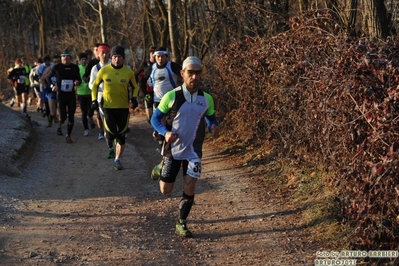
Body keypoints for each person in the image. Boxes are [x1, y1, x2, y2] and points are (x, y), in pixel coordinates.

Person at [150, 56, 220, 237]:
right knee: (166, 190)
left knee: (190, 186)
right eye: (190, 72)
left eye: (198, 73)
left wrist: (213, 125)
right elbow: (155, 118)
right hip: (173, 149)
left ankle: (181, 223)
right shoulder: (172, 96)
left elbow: (210, 116)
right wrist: (165, 133)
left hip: (193, 151)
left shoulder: (206, 99)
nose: (194, 77)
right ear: (182, 74)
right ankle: (161, 165)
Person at [91, 45, 139, 170]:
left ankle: (117, 159)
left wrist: (134, 98)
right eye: (114, 57)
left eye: (119, 57)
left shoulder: (128, 72)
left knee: (121, 136)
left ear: (123, 58)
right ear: (111, 58)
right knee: (111, 134)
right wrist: (94, 100)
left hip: (123, 107)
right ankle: (110, 142)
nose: (116, 60)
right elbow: (95, 85)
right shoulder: (104, 71)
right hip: (108, 107)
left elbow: (135, 86)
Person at [146, 46, 181, 143]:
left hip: (172, 100)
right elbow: (142, 80)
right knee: (161, 124)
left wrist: (182, 88)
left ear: (166, 57)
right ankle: (162, 145)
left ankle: (174, 144)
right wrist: (146, 94)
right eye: (158, 57)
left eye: (162, 57)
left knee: (172, 124)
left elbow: (184, 74)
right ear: (155, 57)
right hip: (158, 100)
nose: (160, 59)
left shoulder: (172, 66)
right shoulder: (151, 68)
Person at [45, 50, 81, 143]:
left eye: (67, 56)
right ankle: (60, 126)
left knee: (71, 116)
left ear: (70, 57)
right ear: (61, 58)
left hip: (71, 95)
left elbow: (79, 78)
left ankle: (68, 135)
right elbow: (48, 78)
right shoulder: (57, 67)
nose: (66, 58)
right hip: (61, 95)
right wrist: (53, 86)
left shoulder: (74, 67)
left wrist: (77, 81)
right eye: (64, 56)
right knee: (63, 116)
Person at [89, 43, 112, 143]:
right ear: (98, 54)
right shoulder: (95, 68)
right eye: (102, 53)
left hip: (114, 95)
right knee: (104, 118)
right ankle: (103, 132)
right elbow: (91, 84)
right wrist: (97, 88)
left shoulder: (113, 64)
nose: (104, 55)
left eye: (106, 53)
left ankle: (114, 132)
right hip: (100, 97)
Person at [135, 46, 156, 124]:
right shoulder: (145, 64)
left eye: (155, 53)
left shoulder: (160, 65)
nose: (153, 55)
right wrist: (136, 87)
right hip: (147, 92)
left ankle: (157, 131)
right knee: (149, 116)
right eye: (152, 53)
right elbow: (135, 74)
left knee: (158, 113)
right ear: (150, 54)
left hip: (158, 92)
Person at [76, 52, 95, 136]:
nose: (83, 61)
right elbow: (74, 78)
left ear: (87, 60)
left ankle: (90, 117)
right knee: (84, 112)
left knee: (90, 110)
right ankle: (86, 129)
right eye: (82, 60)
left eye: (85, 59)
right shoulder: (77, 68)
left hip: (90, 93)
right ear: (79, 61)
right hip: (81, 93)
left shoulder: (90, 68)